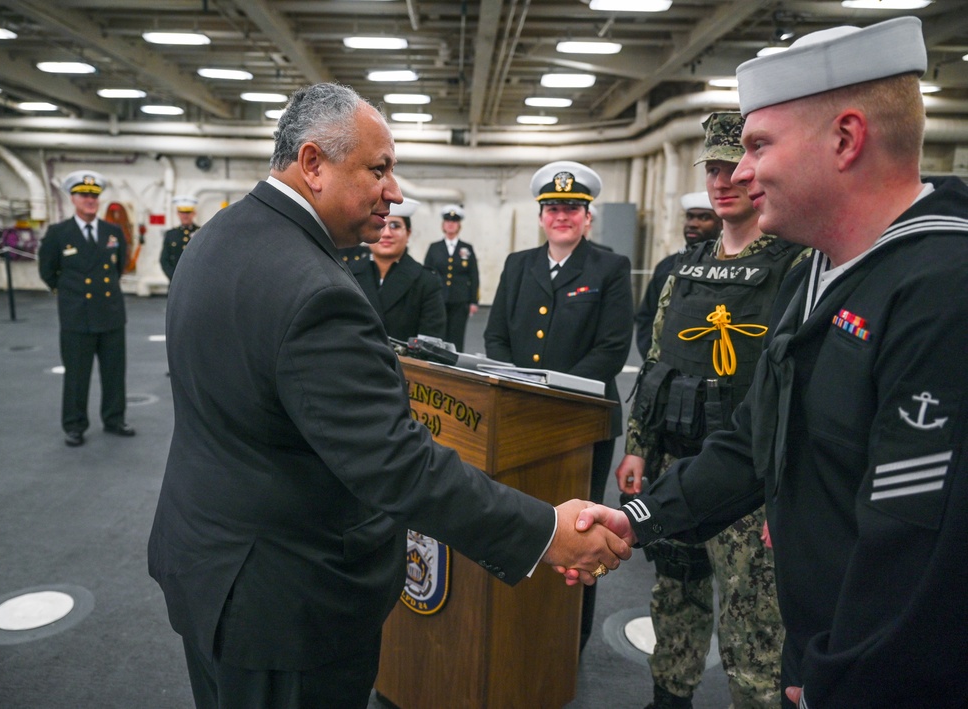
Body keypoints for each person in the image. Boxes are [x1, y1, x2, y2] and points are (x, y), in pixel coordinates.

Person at [146, 83, 630, 709]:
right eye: (378, 169)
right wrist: (546, 531)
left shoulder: (219, 236)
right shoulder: (317, 290)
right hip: (286, 609)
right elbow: (397, 466)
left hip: (210, 567)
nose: (395, 191)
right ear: (313, 164)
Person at [570, 16, 968, 708]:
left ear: (845, 139)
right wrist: (635, 518)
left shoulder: (943, 290)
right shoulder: (819, 272)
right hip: (819, 645)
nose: (741, 171)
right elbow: (752, 445)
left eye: (757, 145)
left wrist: (833, 680)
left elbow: (913, 557)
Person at [616, 112, 807, 709]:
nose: (723, 182)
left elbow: (798, 388)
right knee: (674, 595)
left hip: (746, 480)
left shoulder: (796, 267)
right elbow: (655, 361)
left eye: (734, 168)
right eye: (713, 170)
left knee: (754, 623)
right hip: (675, 457)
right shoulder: (684, 266)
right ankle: (668, 697)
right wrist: (638, 446)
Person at [484, 160, 634, 651]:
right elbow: (496, 336)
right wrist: (522, 393)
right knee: (522, 517)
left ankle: (572, 639)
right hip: (519, 421)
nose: (561, 215)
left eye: (572, 207)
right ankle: (517, 625)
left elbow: (612, 350)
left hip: (581, 425)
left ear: (587, 215)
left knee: (581, 532)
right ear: (542, 215)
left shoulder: (609, 268)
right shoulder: (517, 265)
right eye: (552, 208)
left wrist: (549, 398)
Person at [38, 170, 135, 447]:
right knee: (77, 376)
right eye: (84, 195)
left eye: (94, 196)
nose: (90, 200)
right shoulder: (58, 234)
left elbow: (117, 268)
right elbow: (47, 272)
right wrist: (70, 294)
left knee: (114, 373)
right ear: (73, 198)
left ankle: (115, 419)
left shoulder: (113, 232)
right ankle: (74, 425)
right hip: (77, 316)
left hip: (110, 314)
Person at [634, 192, 720, 359]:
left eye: (704, 218)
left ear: (721, 223)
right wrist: (652, 356)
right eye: (689, 217)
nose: (693, 224)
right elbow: (647, 316)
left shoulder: (727, 264)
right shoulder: (667, 265)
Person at [348, 197, 446, 341]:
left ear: (408, 233)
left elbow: (430, 341)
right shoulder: (349, 272)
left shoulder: (426, 281)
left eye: (395, 226)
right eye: (379, 225)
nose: (387, 233)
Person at [423, 204, 479, 350]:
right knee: (437, 333)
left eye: (454, 222)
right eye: (448, 221)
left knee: (456, 336)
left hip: (460, 300)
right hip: (438, 298)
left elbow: (474, 275)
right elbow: (427, 273)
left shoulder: (467, 248)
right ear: (443, 225)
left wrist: (473, 301)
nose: (451, 225)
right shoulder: (434, 248)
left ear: (458, 225)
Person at [160, 196, 200, 281]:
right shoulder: (171, 234)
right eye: (182, 212)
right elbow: (164, 260)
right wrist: (174, 277)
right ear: (178, 214)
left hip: (195, 281)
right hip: (175, 280)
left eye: (188, 212)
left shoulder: (201, 233)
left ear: (194, 213)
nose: (185, 216)